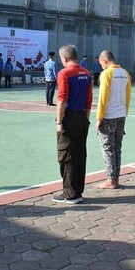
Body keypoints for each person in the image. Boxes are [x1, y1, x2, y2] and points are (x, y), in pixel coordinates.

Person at [53, 45, 92, 204]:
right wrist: (86, 119)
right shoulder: (86, 73)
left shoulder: (64, 73)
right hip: (82, 116)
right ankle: (78, 191)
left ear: (65, 58)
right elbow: (89, 99)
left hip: (69, 117)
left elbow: (62, 99)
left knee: (66, 155)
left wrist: (59, 121)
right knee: (79, 154)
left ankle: (70, 194)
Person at [95, 50, 131, 189]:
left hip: (109, 115)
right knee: (117, 148)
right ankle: (115, 179)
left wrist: (99, 118)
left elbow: (103, 97)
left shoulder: (107, 74)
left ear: (105, 61)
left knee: (108, 148)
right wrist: (124, 113)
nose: (101, 67)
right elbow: (128, 96)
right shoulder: (125, 73)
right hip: (121, 114)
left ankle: (111, 180)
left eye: (101, 64)